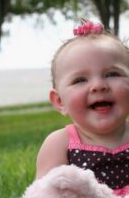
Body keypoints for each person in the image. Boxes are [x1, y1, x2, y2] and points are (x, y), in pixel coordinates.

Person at [36, 19, 129, 197]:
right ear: (60, 101)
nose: (99, 85)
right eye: (80, 80)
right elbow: (45, 192)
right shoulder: (60, 144)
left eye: (112, 74)